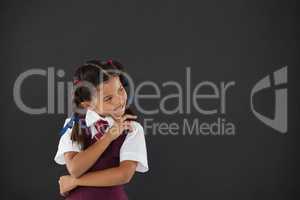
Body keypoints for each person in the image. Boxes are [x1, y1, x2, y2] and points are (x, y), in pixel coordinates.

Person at [54, 59, 148, 200]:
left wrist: (76, 181)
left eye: (120, 90)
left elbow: (124, 175)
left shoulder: (132, 129)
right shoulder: (74, 125)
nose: (119, 100)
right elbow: (75, 169)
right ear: (88, 105)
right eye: (108, 98)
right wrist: (108, 137)